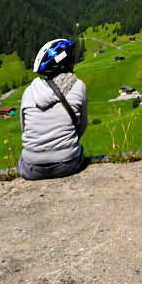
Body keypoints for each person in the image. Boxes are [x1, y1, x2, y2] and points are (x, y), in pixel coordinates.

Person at [18, 38, 88, 180]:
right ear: (63, 63)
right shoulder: (78, 86)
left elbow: (24, 128)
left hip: (32, 169)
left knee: (23, 158)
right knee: (80, 150)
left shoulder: (29, 91)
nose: (74, 61)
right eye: (71, 58)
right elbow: (82, 125)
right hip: (68, 164)